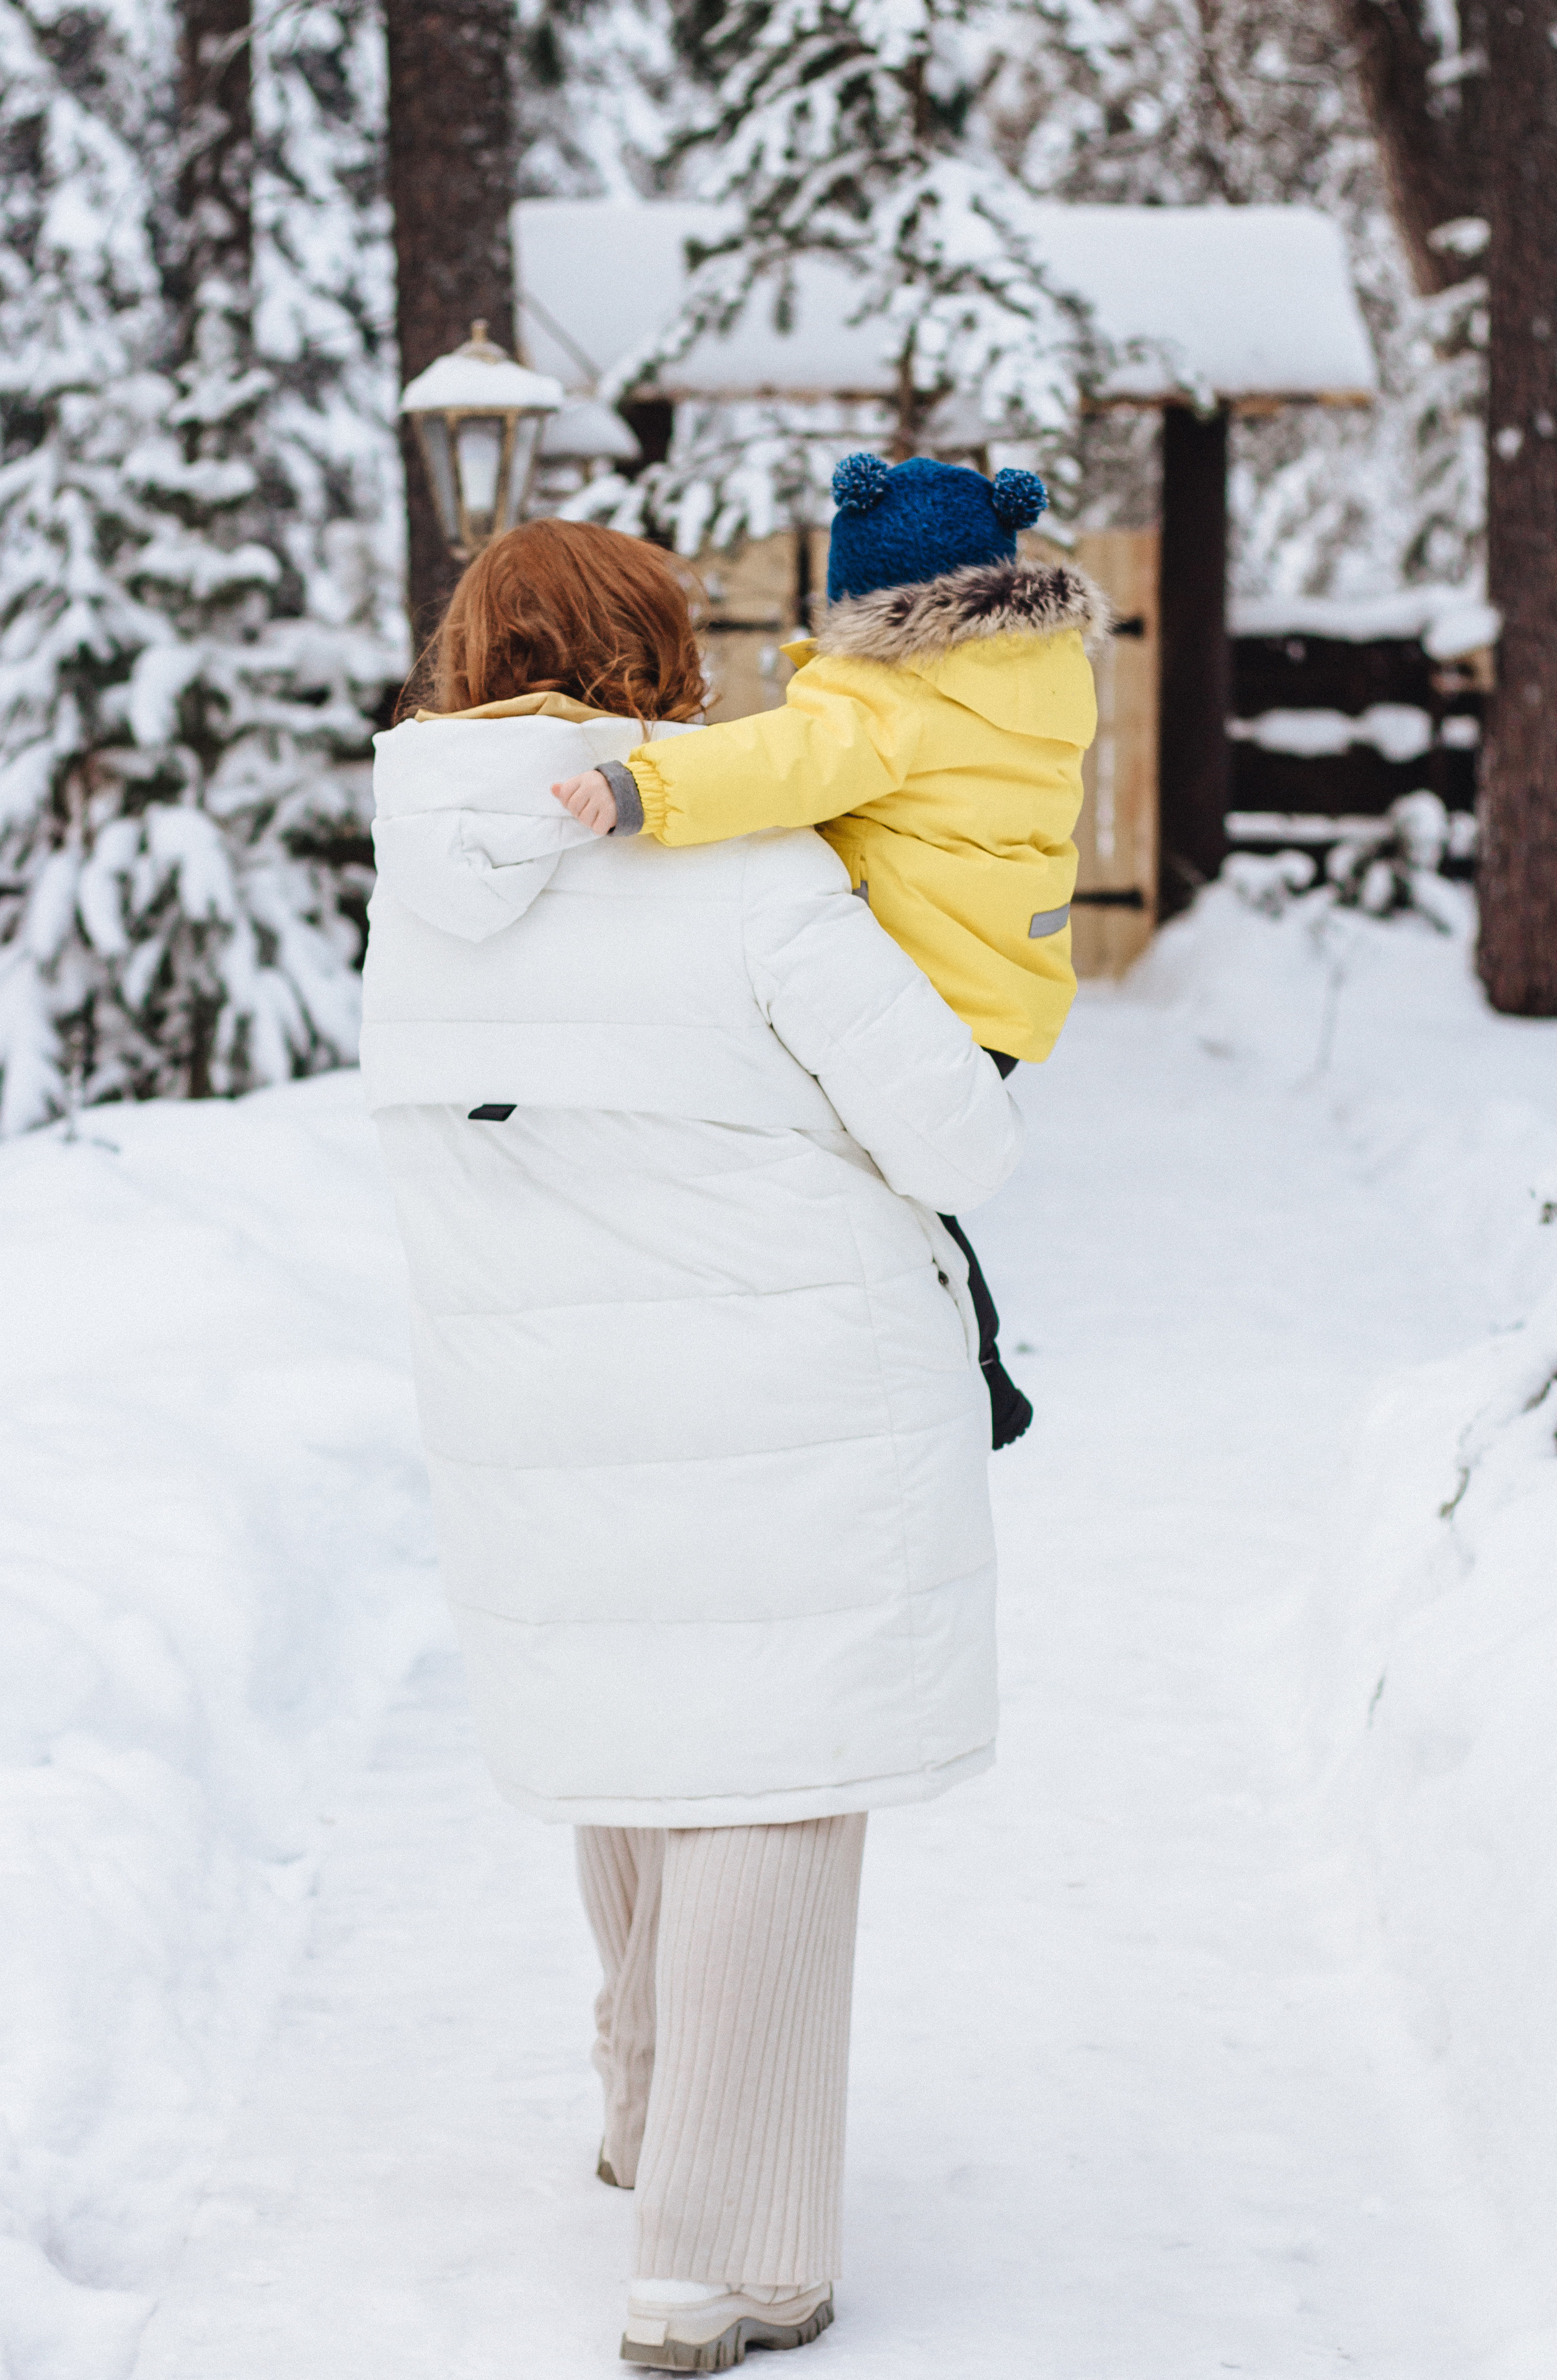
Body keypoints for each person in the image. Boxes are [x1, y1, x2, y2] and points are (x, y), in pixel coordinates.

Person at [359, 516, 1025, 2369]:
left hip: (542, 1408)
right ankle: (718, 2257)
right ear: (658, 660)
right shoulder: (744, 872)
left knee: (651, 1742)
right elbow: (956, 1138)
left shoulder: (417, 880)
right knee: (776, 1785)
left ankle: (651, 2109)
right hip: (786, 1394)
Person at [552, 451, 1109, 1450]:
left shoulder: (894, 695)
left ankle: (971, 1371)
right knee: (907, 1185)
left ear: (870, 596)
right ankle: (971, 1370)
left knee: (886, 1194)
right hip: (1000, 990)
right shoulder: (1037, 684)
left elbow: (784, 761)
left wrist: (645, 789)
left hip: (920, 992)